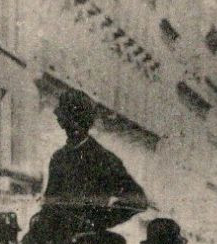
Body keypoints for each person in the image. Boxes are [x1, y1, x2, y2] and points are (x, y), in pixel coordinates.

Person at [42, 89, 149, 231]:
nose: (60, 119)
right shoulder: (59, 158)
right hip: (59, 242)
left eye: (67, 116)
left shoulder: (103, 159)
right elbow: (50, 204)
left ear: (79, 120)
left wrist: (100, 221)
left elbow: (138, 200)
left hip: (89, 243)